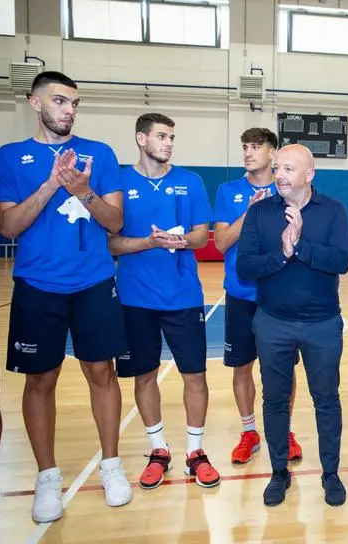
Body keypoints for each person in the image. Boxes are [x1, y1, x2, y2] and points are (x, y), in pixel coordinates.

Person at [0, 71, 132, 522]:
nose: (69, 110)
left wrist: (83, 190)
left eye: (74, 102)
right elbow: (9, 226)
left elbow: (115, 223)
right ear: (36, 104)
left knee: (103, 371)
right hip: (37, 285)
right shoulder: (12, 157)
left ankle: (111, 467)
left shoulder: (100, 154)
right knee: (41, 379)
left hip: (93, 282)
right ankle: (47, 476)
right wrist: (52, 184)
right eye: (59, 101)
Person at [236, 144, 348, 507]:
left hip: (322, 324)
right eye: (277, 168)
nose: (279, 175)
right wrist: (282, 254)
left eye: (288, 168)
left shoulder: (333, 210)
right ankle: (279, 472)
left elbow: (341, 261)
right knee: (274, 400)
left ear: (309, 174)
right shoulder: (259, 213)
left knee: (327, 399)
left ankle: (330, 473)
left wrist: (300, 246)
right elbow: (246, 267)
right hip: (272, 323)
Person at [110, 113, 219, 490]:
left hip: (183, 296)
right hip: (135, 299)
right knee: (144, 376)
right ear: (141, 139)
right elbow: (112, 243)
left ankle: (195, 452)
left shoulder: (190, 181)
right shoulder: (119, 181)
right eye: (161, 136)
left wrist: (181, 241)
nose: (169, 142)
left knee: (196, 376)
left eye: (172, 136)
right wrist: (149, 242)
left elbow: (203, 235)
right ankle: (158, 450)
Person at [213, 128, 302, 465]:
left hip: (278, 296)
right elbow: (220, 243)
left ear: (273, 153)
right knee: (242, 367)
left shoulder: (289, 190)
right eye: (245, 146)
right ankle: (249, 431)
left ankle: (285, 430)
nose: (249, 153)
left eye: (256, 147)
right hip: (239, 294)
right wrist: (251, 212)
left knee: (283, 369)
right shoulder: (228, 190)